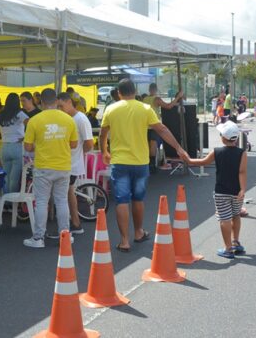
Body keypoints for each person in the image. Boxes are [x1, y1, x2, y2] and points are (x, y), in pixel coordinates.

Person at [100, 79, 189, 252]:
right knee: (138, 199)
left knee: (121, 201)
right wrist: (178, 148)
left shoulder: (111, 109)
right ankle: (139, 232)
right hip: (140, 162)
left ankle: (124, 240)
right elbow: (162, 129)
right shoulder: (145, 109)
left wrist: (104, 151)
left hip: (119, 162)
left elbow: (103, 134)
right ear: (134, 91)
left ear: (119, 93)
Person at [183, 121, 247, 259]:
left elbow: (202, 162)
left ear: (223, 137)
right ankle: (235, 242)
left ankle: (228, 248)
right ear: (236, 138)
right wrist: (242, 189)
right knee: (236, 215)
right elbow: (242, 172)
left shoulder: (216, 152)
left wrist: (188, 159)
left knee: (224, 218)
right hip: (237, 192)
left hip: (221, 191)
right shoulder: (242, 153)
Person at [22, 88, 78, 248]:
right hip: (63, 166)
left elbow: (28, 146)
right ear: (56, 101)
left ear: (40, 102)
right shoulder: (68, 120)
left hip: (43, 167)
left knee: (41, 202)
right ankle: (65, 235)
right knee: (61, 201)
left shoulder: (35, 120)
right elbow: (73, 144)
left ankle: (38, 238)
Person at [57, 91, 93, 237]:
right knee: (67, 193)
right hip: (65, 163)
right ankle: (75, 223)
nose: (59, 109)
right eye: (57, 106)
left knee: (67, 193)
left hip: (71, 164)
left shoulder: (80, 119)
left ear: (69, 102)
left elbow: (89, 143)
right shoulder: (66, 118)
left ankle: (76, 223)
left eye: (61, 106)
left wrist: (79, 154)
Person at [0, 93, 29, 194]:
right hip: (17, 146)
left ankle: (5, 202)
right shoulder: (19, 114)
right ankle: (12, 204)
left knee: (6, 176)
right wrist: (25, 137)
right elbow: (31, 124)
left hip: (4, 147)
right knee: (14, 179)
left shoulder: (0, 115)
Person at [142, 83, 183, 172]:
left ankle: (148, 164)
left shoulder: (144, 99)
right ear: (156, 90)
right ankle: (152, 165)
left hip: (144, 126)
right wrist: (178, 97)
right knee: (153, 144)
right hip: (154, 126)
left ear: (149, 89)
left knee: (147, 145)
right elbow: (168, 106)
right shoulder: (156, 99)